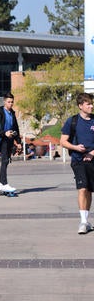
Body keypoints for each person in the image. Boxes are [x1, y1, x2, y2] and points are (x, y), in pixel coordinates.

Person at [60, 92, 94, 235]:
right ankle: (83, 221)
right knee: (82, 188)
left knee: (90, 190)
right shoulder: (72, 121)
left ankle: (86, 219)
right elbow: (63, 141)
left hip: (92, 160)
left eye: (92, 103)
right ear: (80, 106)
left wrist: (92, 153)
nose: (91, 106)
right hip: (78, 161)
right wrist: (76, 148)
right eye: (88, 104)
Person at [0, 92, 21, 193]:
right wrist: (4, 133)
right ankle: (5, 183)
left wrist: (18, 142)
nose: (11, 104)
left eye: (12, 102)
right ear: (4, 102)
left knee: (6, 161)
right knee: (4, 160)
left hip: (10, 139)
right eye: (9, 102)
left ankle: (0, 184)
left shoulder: (12, 113)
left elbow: (16, 127)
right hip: (1, 139)